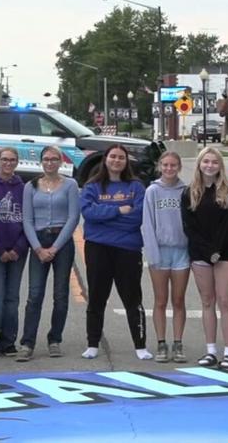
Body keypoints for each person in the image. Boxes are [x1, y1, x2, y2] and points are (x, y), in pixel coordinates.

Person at [81, 145, 151, 361]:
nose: (117, 160)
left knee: (132, 299)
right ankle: (92, 344)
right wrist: (118, 210)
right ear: (105, 159)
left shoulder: (136, 187)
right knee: (97, 297)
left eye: (121, 157)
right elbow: (88, 213)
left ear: (126, 161)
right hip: (98, 248)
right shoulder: (92, 186)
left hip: (128, 249)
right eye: (113, 156)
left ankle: (140, 346)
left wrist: (105, 220)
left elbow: (137, 217)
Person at [181, 146, 228, 368]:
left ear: (220, 166)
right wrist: (207, 252)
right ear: (199, 164)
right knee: (207, 301)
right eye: (206, 161)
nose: (210, 165)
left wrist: (217, 251)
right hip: (200, 253)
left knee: (225, 300)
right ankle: (211, 351)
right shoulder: (189, 192)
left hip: (225, 253)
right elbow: (189, 227)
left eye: (214, 162)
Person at [19, 146, 79, 362]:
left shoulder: (70, 185)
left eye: (54, 159)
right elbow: (27, 219)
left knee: (60, 294)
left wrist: (55, 248)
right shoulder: (31, 186)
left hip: (61, 241)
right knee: (35, 294)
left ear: (61, 162)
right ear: (41, 161)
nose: (50, 163)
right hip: (38, 241)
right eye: (46, 159)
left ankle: (55, 339)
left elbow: (73, 218)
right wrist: (38, 248)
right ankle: (27, 343)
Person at [141, 151, 189, 363]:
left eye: (173, 165)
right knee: (160, 300)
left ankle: (178, 343)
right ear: (160, 166)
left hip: (181, 252)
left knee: (178, 300)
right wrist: (152, 253)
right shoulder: (152, 191)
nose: (169, 169)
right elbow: (147, 224)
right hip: (159, 251)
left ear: (179, 167)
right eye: (165, 165)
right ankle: (161, 343)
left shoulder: (186, 191)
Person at [0, 148, 28, 358]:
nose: (8, 163)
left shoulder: (24, 188)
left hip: (18, 251)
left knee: (12, 298)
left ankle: (8, 341)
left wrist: (19, 248)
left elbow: (29, 221)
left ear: (17, 162)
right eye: (4, 159)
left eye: (12, 160)